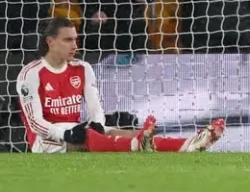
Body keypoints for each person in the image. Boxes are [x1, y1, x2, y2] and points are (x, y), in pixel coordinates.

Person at [16, 17, 225, 154]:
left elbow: (95, 107)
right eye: (68, 40)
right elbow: (35, 124)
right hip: (46, 141)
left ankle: (187, 144)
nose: (75, 46)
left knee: (127, 132)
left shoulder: (82, 68)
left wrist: (97, 123)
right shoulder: (31, 74)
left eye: (75, 40)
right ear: (50, 42)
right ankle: (138, 146)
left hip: (75, 130)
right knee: (91, 136)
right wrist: (65, 134)